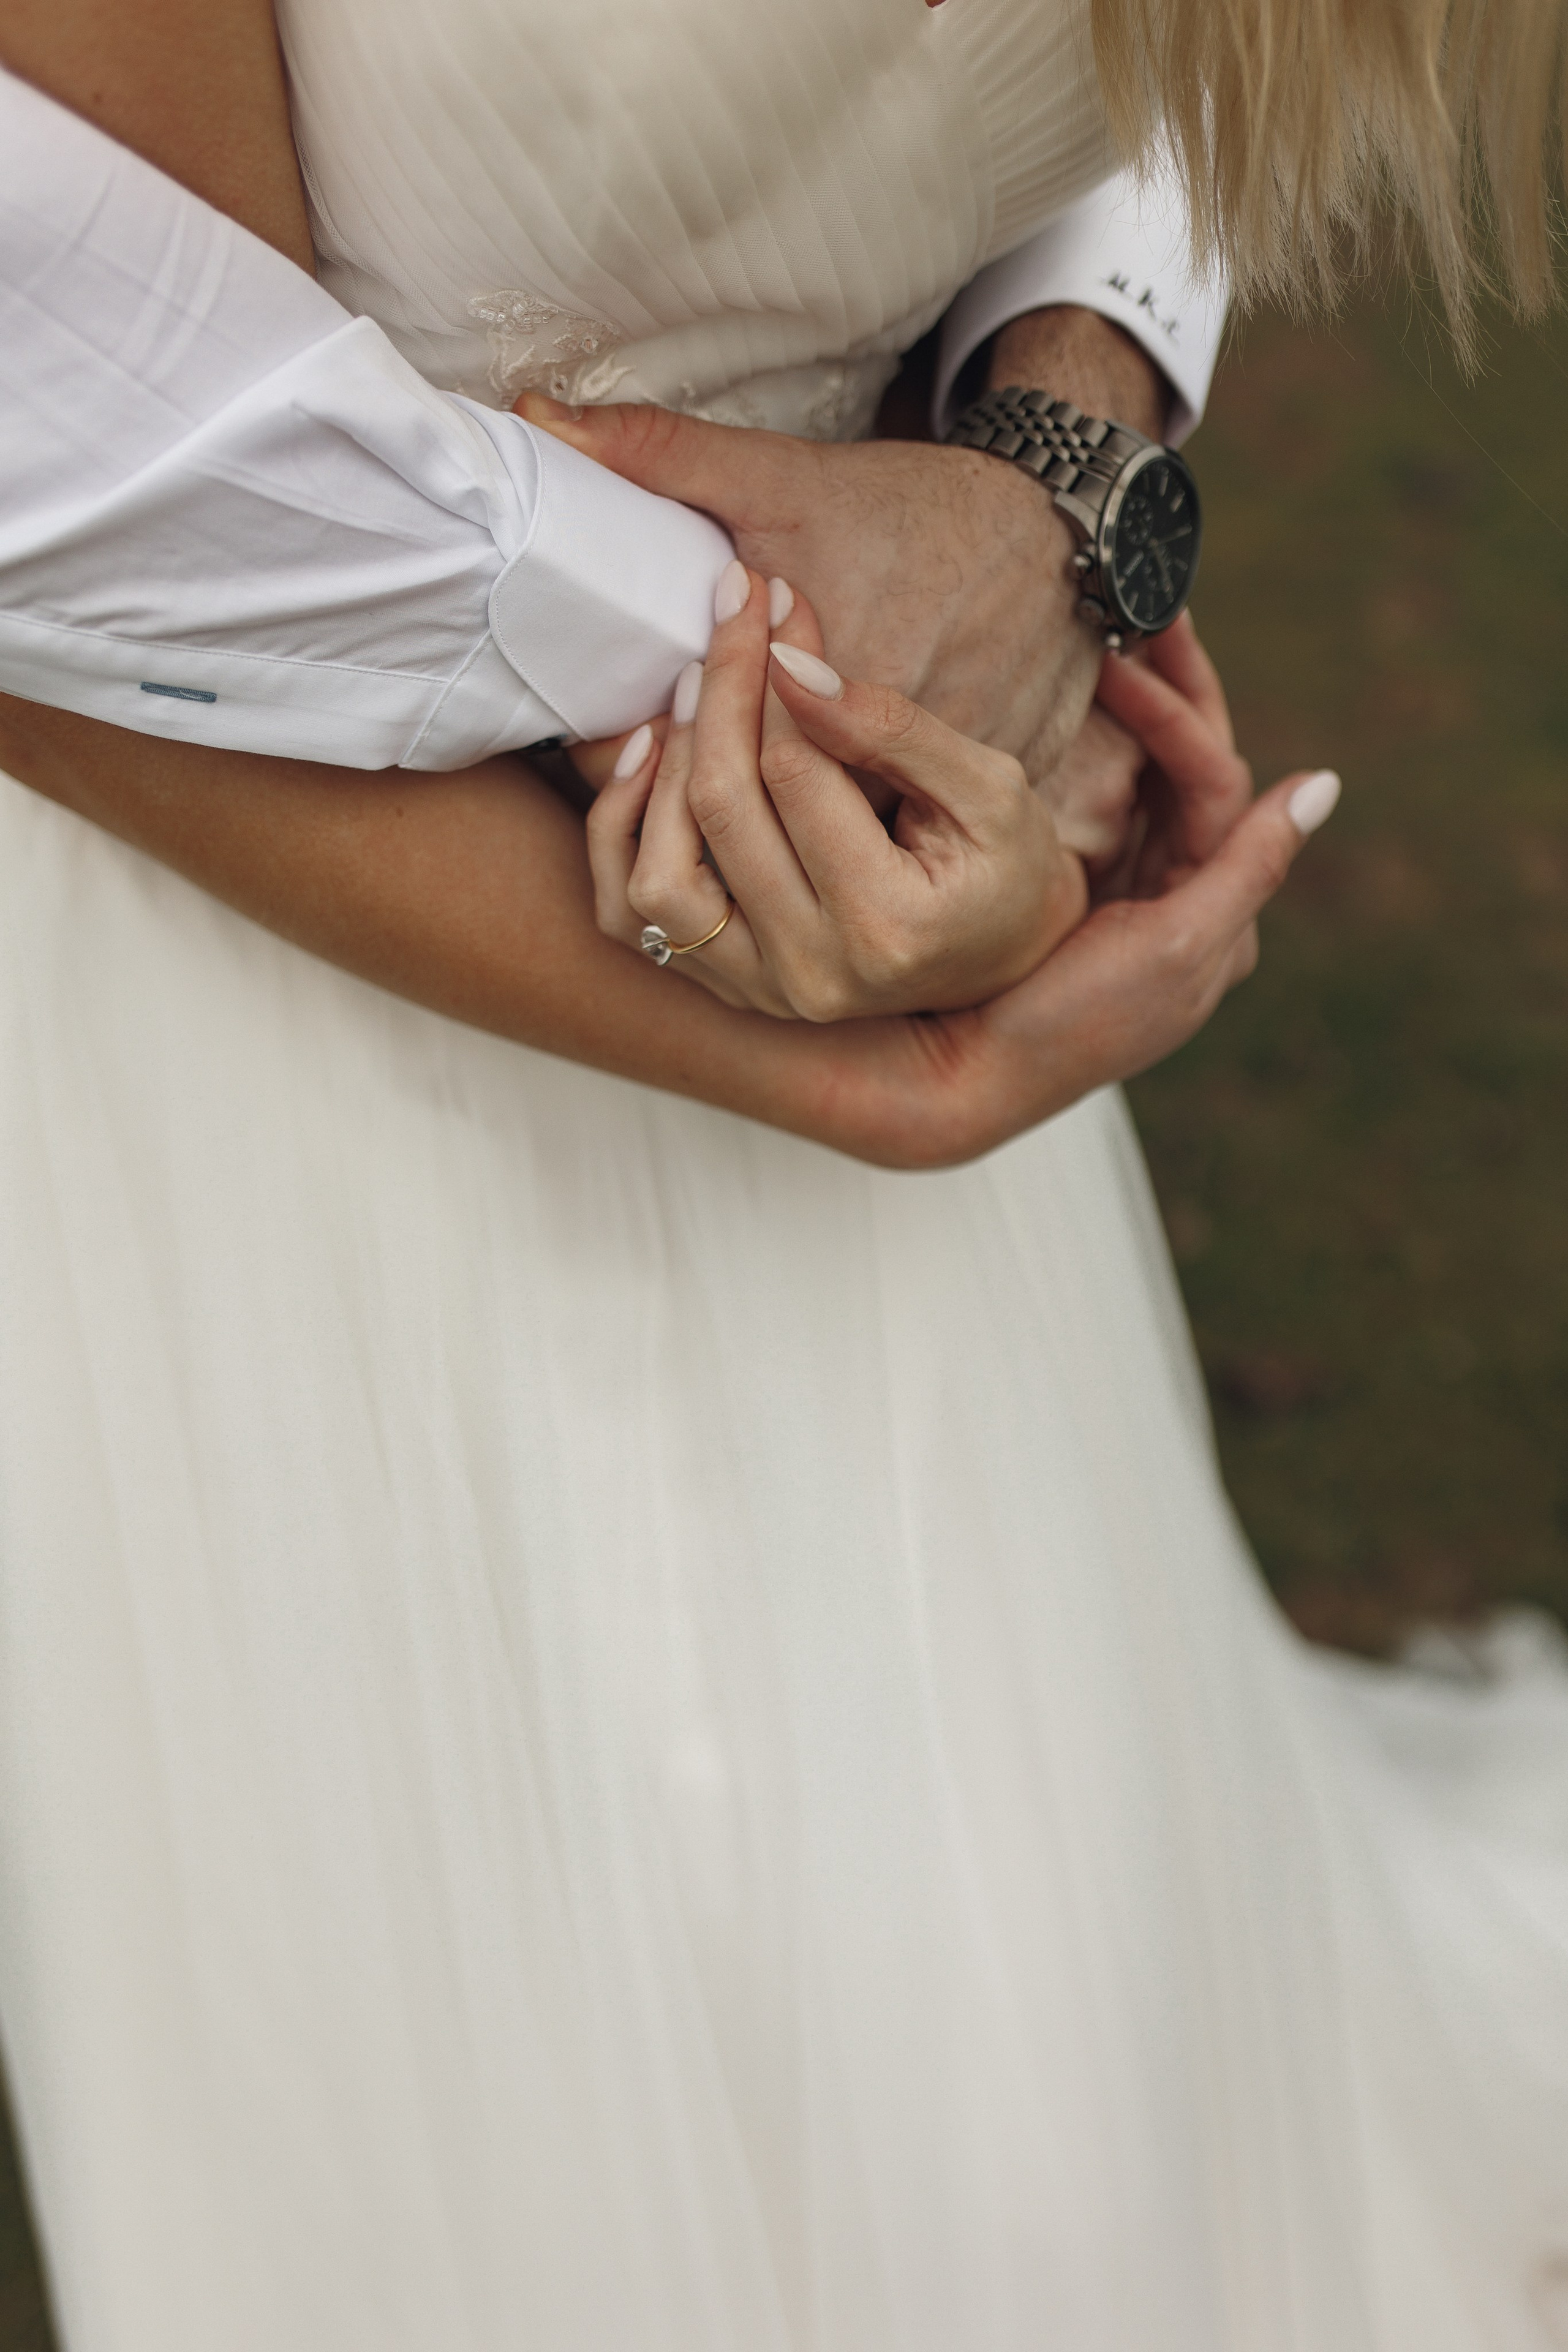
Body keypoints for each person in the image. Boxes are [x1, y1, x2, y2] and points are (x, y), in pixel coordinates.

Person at [0, 7, 1564, 2352]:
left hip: (904, 1034)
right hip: (304, 1026)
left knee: (1035, 2048)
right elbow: (76, 487)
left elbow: (1175, 90)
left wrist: (1052, 493)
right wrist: (856, 715)